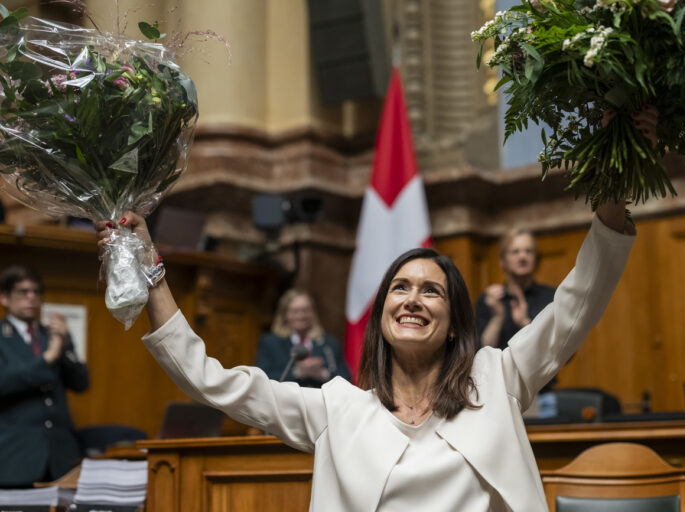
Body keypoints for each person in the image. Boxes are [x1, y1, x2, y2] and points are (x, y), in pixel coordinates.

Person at [94, 108, 655, 511]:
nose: (412, 299)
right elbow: (210, 381)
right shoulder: (336, 409)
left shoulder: (499, 377)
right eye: (400, 288)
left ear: (456, 318)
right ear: (382, 312)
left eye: (431, 291)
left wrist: (614, 193)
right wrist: (150, 268)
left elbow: (575, 306)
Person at [0, 265, 89, 487]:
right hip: (16, 456)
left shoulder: (52, 336)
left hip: (61, 456)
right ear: (4, 298)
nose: (31, 298)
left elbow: (81, 384)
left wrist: (66, 346)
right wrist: (48, 358)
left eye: (36, 292)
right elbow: (4, 381)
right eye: (23, 292)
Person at [475, 227, 555, 349]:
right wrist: (497, 317)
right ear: (503, 261)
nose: (522, 257)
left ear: (536, 258)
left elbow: (562, 350)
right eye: (515, 252)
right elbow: (481, 353)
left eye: (528, 251)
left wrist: (525, 323)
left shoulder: (551, 297)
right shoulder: (489, 300)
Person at [255, 288, 350, 387]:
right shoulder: (271, 343)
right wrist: (297, 372)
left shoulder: (329, 344)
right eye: (295, 311)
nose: (301, 316)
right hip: (286, 400)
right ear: (285, 314)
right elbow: (262, 379)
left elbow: (346, 379)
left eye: (305, 310)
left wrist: (323, 374)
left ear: (313, 313)